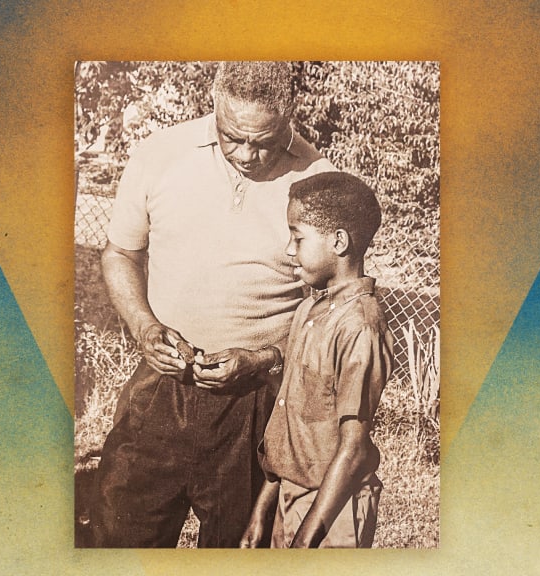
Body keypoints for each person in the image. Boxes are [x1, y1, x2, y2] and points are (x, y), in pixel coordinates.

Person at [88, 61, 335, 548]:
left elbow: (331, 305)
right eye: (231, 136)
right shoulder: (158, 156)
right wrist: (144, 328)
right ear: (214, 108)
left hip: (258, 401)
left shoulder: (319, 181)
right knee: (117, 539)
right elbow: (120, 253)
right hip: (160, 387)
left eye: (263, 141)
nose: (246, 154)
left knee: (238, 549)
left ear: (290, 118)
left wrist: (265, 358)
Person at [240, 171, 394, 549]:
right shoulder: (310, 309)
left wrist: (307, 538)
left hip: (331, 512)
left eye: (298, 237)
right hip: (291, 498)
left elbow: (353, 448)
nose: (289, 249)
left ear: (338, 242)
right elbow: (288, 427)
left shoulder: (360, 328)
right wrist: (263, 508)